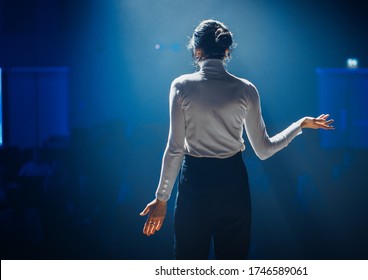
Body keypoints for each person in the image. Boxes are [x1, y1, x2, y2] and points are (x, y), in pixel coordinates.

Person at [140, 19, 334, 260]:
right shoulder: (246, 89)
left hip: (195, 184)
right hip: (233, 183)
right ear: (227, 51)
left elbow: (175, 148)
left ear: (197, 50)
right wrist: (299, 125)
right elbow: (264, 150)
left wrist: (161, 198)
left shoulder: (181, 86)